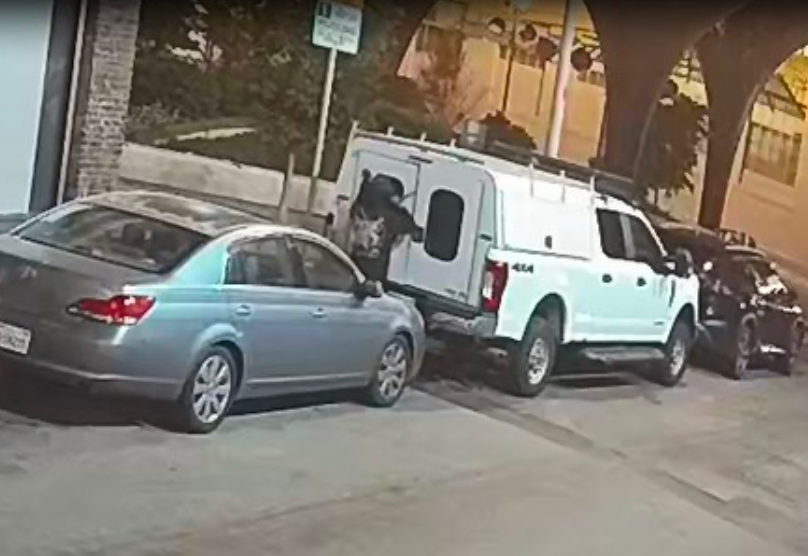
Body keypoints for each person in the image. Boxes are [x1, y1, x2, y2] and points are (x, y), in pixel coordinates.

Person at [348, 171, 422, 284]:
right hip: (375, 271)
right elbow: (415, 232)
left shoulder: (360, 205)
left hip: (352, 265)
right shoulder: (392, 215)